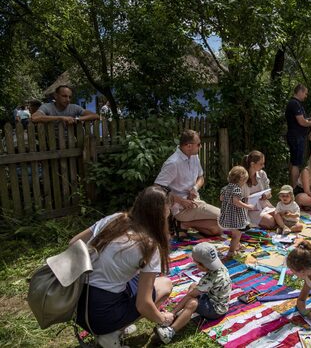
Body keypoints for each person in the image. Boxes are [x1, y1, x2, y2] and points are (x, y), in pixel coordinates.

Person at [69, 186, 174, 348]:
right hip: (101, 318)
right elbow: (143, 304)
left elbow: (73, 243)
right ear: (162, 213)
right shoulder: (149, 245)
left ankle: (111, 328)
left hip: (75, 304)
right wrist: (162, 318)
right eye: (169, 206)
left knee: (136, 280)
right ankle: (112, 334)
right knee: (165, 285)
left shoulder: (115, 218)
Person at [156, 242, 231, 344]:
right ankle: (180, 315)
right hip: (214, 299)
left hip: (216, 310)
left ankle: (170, 332)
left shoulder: (210, 278)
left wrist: (172, 312)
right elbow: (197, 289)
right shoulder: (220, 267)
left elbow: (191, 295)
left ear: (197, 263)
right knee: (193, 286)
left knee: (192, 303)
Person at [155, 129, 222, 236]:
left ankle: (184, 224)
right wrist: (181, 201)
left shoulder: (194, 156)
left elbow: (201, 177)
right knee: (224, 217)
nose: (200, 147)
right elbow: (157, 188)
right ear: (188, 146)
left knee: (217, 230)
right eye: (199, 144)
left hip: (195, 202)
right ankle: (182, 221)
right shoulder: (173, 163)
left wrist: (195, 188)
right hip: (181, 208)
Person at [285, 84, 311, 187]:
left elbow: (301, 120)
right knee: (296, 163)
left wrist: (309, 119)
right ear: (300, 91)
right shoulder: (294, 103)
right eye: (305, 93)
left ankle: (292, 186)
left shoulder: (295, 103)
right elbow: (301, 122)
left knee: (294, 161)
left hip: (296, 136)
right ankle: (295, 188)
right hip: (296, 137)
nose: (306, 95)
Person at [218, 166, 254, 259]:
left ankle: (237, 245)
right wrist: (248, 206)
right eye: (245, 181)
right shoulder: (237, 189)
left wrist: (228, 200)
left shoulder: (225, 188)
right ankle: (231, 251)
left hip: (227, 215)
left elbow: (221, 198)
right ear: (241, 180)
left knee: (236, 233)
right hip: (236, 217)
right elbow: (236, 202)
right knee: (236, 235)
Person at [242, 150, 276, 229]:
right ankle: (280, 226)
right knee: (271, 221)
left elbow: (268, 191)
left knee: (281, 215)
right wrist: (250, 199)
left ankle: (281, 226)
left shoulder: (262, 174)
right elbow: (238, 198)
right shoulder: (242, 178)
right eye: (261, 164)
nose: (263, 166)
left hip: (264, 205)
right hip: (251, 210)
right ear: (252, 164)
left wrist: (265, 195)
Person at [32, 85, 99, 124]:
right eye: (64, 96)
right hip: (51, 144)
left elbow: (95, 116)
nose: (68, 100)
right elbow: (34, 117)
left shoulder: (74, 107)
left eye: (70, 97)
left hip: (72, 143)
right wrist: (61, 118)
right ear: (56, 96)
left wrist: (77, 119)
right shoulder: (47, 107)